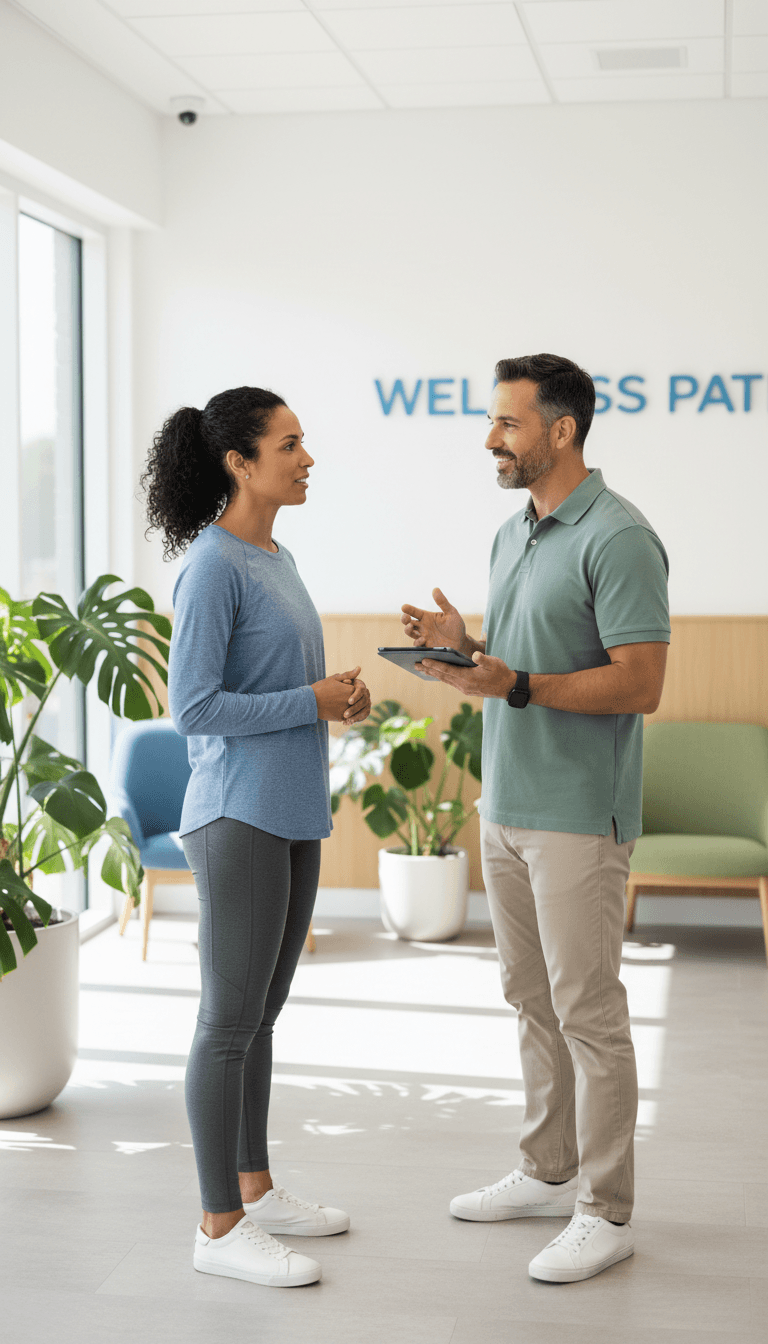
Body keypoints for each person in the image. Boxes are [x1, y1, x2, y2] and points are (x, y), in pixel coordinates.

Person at [401, 353, 670, 1284]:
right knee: (530, 999)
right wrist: (463, 648)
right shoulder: (514, 532)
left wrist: (511, 679)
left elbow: (642, 683)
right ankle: (548, 1166)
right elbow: (516, 662)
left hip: (576, 817)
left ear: (561, 431)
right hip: (506, 804)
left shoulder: (620, 537)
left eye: (507, 424)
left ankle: (606, 1208)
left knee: (589, 1011)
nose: (490, 439)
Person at [142, 386, 371, 1288]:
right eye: (290, 444)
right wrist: (306, 703)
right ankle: (217, 1224)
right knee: (226, 1022)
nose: (307, 457)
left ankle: (257, 1189)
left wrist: (337, 701)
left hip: (291, 808)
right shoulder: (211, 566)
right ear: (240, 462)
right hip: (236, 812)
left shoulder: (275, 553)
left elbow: (276, 688)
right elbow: (191, 707)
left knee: (260, 1016)